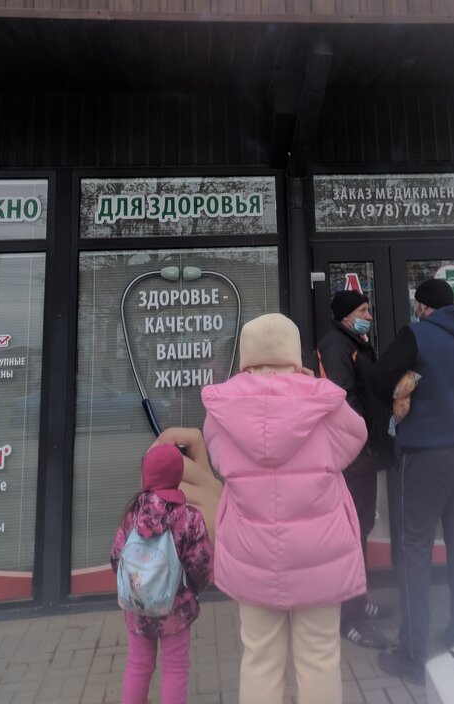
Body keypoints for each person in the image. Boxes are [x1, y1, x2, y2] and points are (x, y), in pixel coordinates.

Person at [202, 312, 367, 704]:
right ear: (294, 352)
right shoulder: (322, 399)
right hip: (320, 551)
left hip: (252, 551)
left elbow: (220, 461)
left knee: (260, 657)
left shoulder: (223, 406)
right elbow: (356, 438)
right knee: (320, 655)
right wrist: (306, 384)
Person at [372, 278, 454, 686]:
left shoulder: (417, 335)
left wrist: (403, 393)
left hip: (426, 453)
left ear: (423, 306)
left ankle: (411, 657)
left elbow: (378, 377)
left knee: (414, 549)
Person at [316, 290, 393, 649]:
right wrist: (365, 437)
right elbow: (342, 398)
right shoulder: (336, 346)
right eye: (363, 310)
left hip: (364, 453)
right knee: (351, 534)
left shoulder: (354, 343)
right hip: (352, 456)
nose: (369, 316)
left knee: (361, 528)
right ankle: (350, 619)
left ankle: (358, 602)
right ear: (346, 315)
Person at [110, 443, 213, 704]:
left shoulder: (132, 515)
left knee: (138, 664)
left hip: (137, 605)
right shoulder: (190, 518)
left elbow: (116, 556)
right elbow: (200, 565)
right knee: (175, 667)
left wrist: (136, 586)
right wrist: (195, 590)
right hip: (175, 610)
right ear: (178, 476)